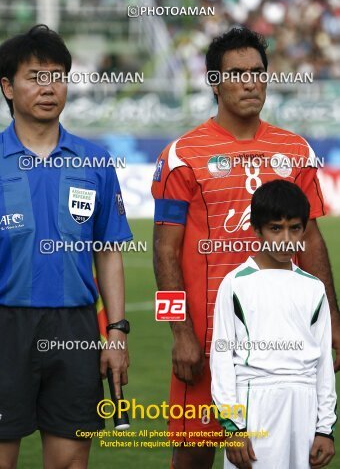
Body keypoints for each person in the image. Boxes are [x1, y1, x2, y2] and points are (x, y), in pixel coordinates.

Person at [151, 27, 340, 469]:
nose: (251, 82)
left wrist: (331, 317)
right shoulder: (183, 155)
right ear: (214, 81)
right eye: (236, 73)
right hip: (205, 340)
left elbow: (310, 238)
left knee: (273, 458)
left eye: (258, 72)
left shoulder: (294, 151)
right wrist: (179, 334)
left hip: (283, 340)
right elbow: (162, 252)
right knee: (193, 457)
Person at [0, 25, 132, 469]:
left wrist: (116, 331)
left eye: (57, 76)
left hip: (75, 329)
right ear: (7, 87)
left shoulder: (95, 162)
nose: (48, 87)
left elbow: (110, 251)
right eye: (34, 76)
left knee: (71, 463)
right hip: (5, 327)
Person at [210, 179, 337, 469]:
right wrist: (233, 428)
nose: (286, 239)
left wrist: (324, 428)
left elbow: (323, 364)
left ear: (305, 229)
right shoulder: (235, 284)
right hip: (256, 402)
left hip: (304, 405)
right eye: (275, 228)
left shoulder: (313, 287)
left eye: (295, 228)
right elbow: (221, 359)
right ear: (257, 230)